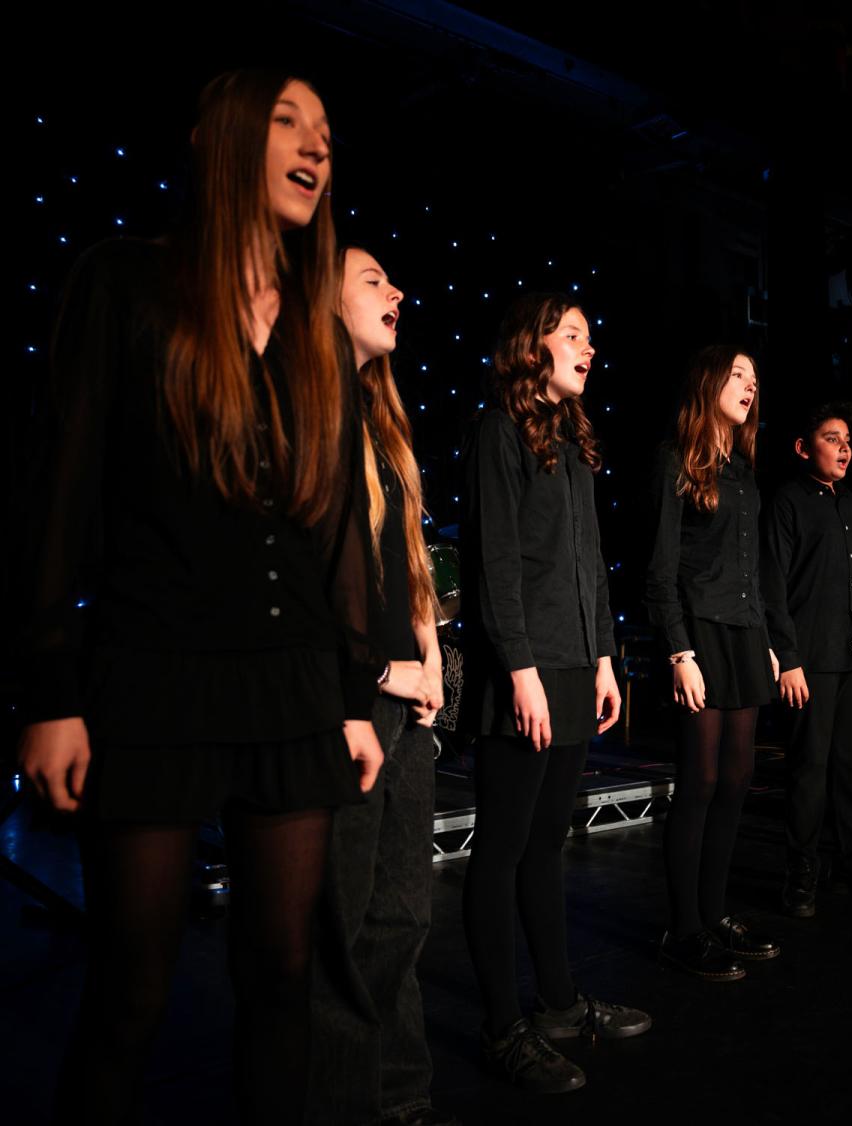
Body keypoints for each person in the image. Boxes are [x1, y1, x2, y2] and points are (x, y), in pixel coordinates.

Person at [17, 71, 384, 1125]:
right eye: (287, 121)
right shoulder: (127, 281)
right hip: (152, 677)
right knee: (129, 991)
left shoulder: (317, 329)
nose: (316, 145)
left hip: (291, 689)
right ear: (219, 140)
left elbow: (337, 534)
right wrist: (51, 690)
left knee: (282, 978)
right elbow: (59, 489)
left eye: (326, 131)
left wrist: (352, 696)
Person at [460, 294, 649, 1095]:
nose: (588, 347)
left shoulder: (570, 442)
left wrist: (605, 658)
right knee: (501, 850)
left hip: (574, 666)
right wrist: (521, 670)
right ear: (531, 346)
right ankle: (503, 1028)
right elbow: (496, 563)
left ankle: (561, 1005)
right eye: (573, 333)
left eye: (590, 336)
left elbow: (591, 561)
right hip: (525, 673)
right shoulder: (496, 432)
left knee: (546, 845)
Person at [307, 246, 456, 1126]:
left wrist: (430, 661)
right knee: (342, 926)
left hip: (406, 703)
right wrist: (379, 671)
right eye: (372, 280)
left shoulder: (380, 423)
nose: (396, 290)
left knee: (403, 918)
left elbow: (410, 568)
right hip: (351, 700)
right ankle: (342, 1106)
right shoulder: (307, 412)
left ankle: (401, 1098)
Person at [646, 346, 781, 980]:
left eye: (754, 378)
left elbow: (751, 567)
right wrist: (679, 650)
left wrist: (767, 639)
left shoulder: (745, 470)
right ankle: (683, 929)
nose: (750, 386)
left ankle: (714, 913)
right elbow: (660, 569)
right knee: (698, 782)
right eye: (737, 375)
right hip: (698, 634)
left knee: (736, 781)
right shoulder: (676, 459)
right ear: (709, 383)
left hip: (746, 634)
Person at [763, 402, 852, 916]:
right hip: (812, 660)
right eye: (832, 438)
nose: (844, 448)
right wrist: (788, 657)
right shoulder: (787, 502)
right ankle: (802, 869)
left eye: (847, 440)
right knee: (809, 768)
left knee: (851, 765)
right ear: (804, 448)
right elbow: (772, 586)